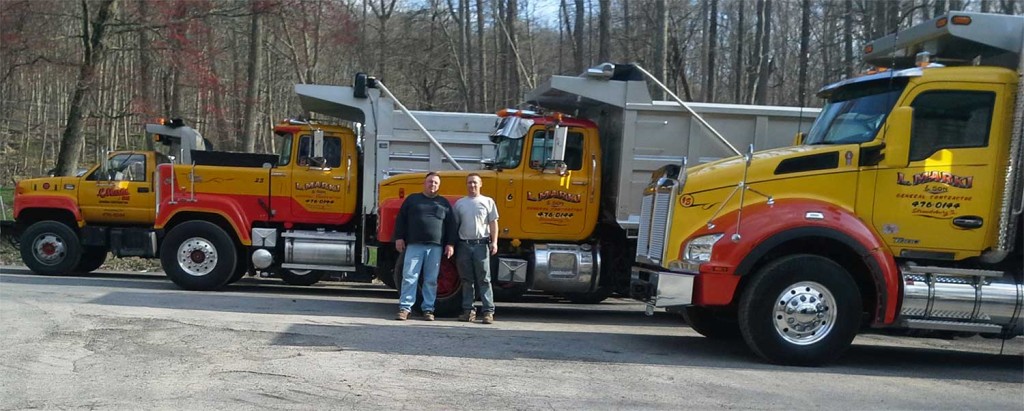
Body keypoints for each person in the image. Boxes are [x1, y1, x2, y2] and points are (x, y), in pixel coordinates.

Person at [393, 172, 456, 321]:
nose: (432, 185)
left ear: (438, 186)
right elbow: (401, 220)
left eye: (435, 183)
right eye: (430, 182)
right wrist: (399, 238)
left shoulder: (444, 203)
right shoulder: (412, 199)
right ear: (424, 183)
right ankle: (405, 308)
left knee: (431, 280)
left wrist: (451, 244)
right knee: (409, 277)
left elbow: (451, 225)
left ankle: (428, 309)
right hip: (414, 245)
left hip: (435, 247)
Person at [453, 173, 499, 324]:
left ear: (480, 184)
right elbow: (455, 225)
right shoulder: (460, 203)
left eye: (475, 183)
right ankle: (468, 311)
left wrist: (494, 242)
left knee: (484, 279)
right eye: (469, 183)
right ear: (466, 185)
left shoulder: (488, 201)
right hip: (464, 245)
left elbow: (493, 223)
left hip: (481, 244)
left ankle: (488, 312)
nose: (472, 185)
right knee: (466, 280)